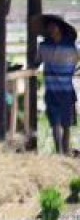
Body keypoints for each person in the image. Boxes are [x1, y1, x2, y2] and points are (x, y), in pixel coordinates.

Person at [36, 14, 78, 155]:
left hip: (66, 90)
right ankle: (59, 152)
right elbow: (37, 61)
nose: (51, 29)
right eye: (49, 27)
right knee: (55, 123)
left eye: (53, 26)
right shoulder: (44, 46)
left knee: (66, 124)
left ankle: (65, 152)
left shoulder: (71, 47)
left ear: (60, 28)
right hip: (52, 90)